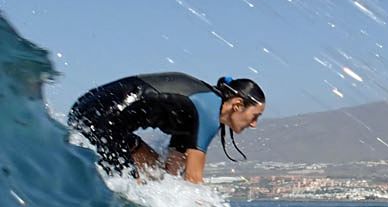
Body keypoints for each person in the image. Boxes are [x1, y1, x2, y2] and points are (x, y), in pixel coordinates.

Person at [68, 72, 265, 183]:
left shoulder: (196, 113)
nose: (254, 124)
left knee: (157, 174)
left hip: (91, 111)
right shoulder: (208, 112)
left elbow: (173, 169)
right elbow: (193, 179)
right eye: (255, 116)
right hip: (102, 119)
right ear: (237, 105)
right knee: (129, 189)